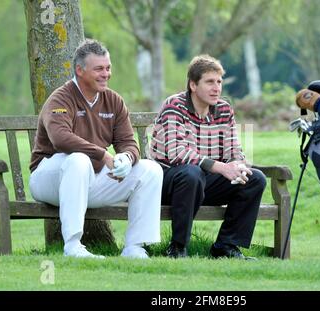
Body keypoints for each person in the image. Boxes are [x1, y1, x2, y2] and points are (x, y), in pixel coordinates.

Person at [29, 39, 162, 259]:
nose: (106, 74)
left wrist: (127, 158)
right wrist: (102, 154)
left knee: (150, 169)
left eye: (108, 68)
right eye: (99, 69)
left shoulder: (114, 101)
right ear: (79, 70)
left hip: (91, 179)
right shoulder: (61, 98)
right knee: (79, 160)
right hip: (50, 179)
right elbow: (61, 139)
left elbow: (128, 141)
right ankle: (72, 246)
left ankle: (135, 247)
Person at [150, 55, 266, 259]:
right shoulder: (174, 106)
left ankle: (226, 246)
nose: (216, 88)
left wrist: (237, 165)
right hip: (168, 182)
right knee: (191, 173)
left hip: (202, 183)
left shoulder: (223, 109)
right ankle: (178, 247)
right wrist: (222, 168)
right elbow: (177, 153)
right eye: (210, 82)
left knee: (255, 178)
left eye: (219, 82)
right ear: (193, 85)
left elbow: (233, 149)